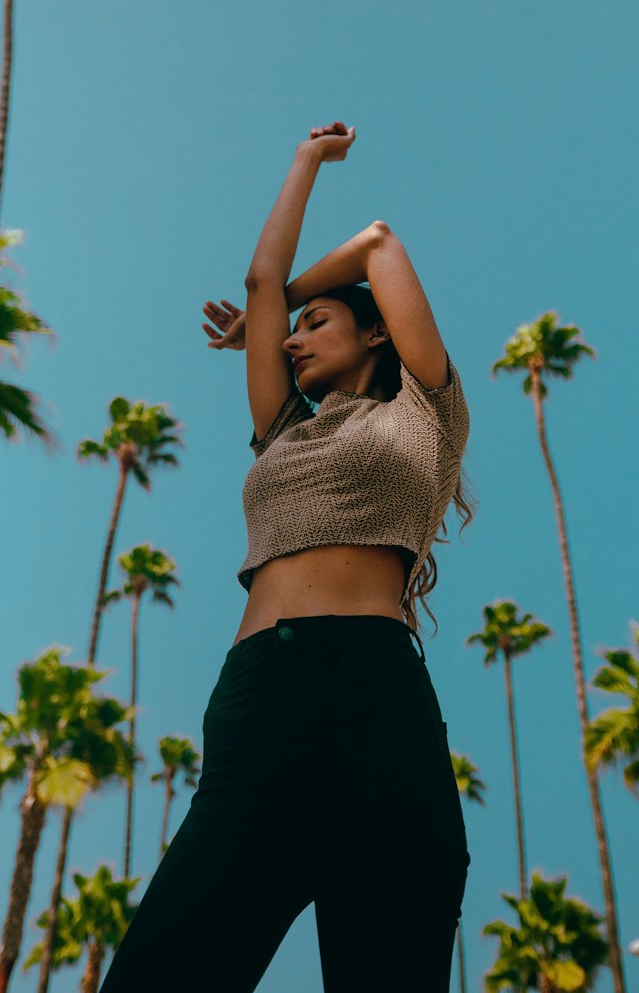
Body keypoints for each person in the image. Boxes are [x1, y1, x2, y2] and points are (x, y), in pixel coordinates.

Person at [99, 122, 476, 992]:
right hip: (260, 700)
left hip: (376, 695)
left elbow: (378, 241)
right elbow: (260, 282)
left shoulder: (426, 414)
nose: (293, 339)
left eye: (317, 323)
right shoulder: (282, 432)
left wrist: (275, 317)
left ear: (376, 335)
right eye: (290, 333)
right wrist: (305, 160)